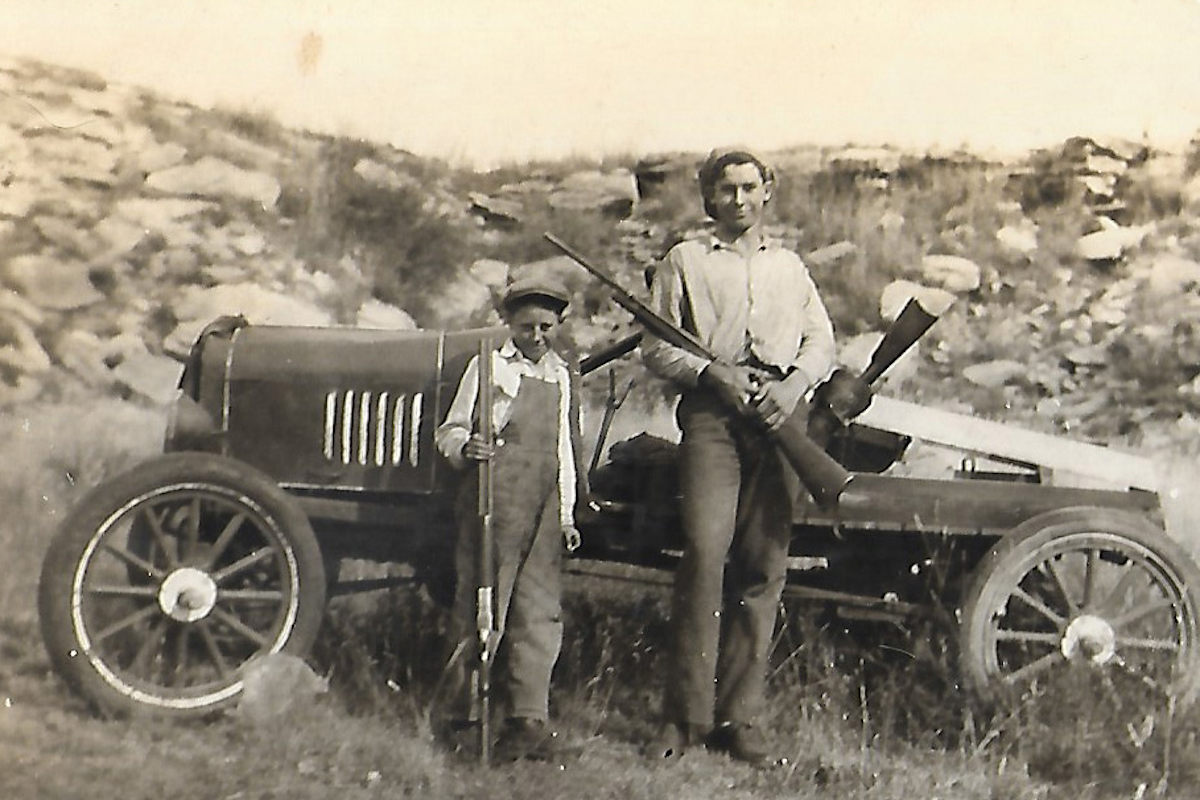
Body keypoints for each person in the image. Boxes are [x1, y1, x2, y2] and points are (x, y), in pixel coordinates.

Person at [642, 148, 837, 763]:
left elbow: (820, 341)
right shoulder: (685, 261)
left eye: (750, 188)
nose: (739, 200)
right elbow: (657, 347)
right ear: (709, 198)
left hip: (779, 418)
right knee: (704, 555)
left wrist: (791, 386)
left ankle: (740, 720)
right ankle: (685, 719)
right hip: (712, 418)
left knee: (763, 566)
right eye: (726, 190)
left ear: (767, 192)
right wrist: (708, 374)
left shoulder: (790, 267)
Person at [434, 274, 586, 762]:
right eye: (526, 327)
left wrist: (565, 514)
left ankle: (526, 720)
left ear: (559, 324)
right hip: (493, 499)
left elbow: (562, 449)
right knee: (483, 604)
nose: (536, 337)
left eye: (545, 327)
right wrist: (465, 447)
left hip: (543, 507)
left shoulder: (562, 375)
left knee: (539, 612)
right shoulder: (489, 367)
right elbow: (451, 429)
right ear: (509, 324)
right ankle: (462, 717)